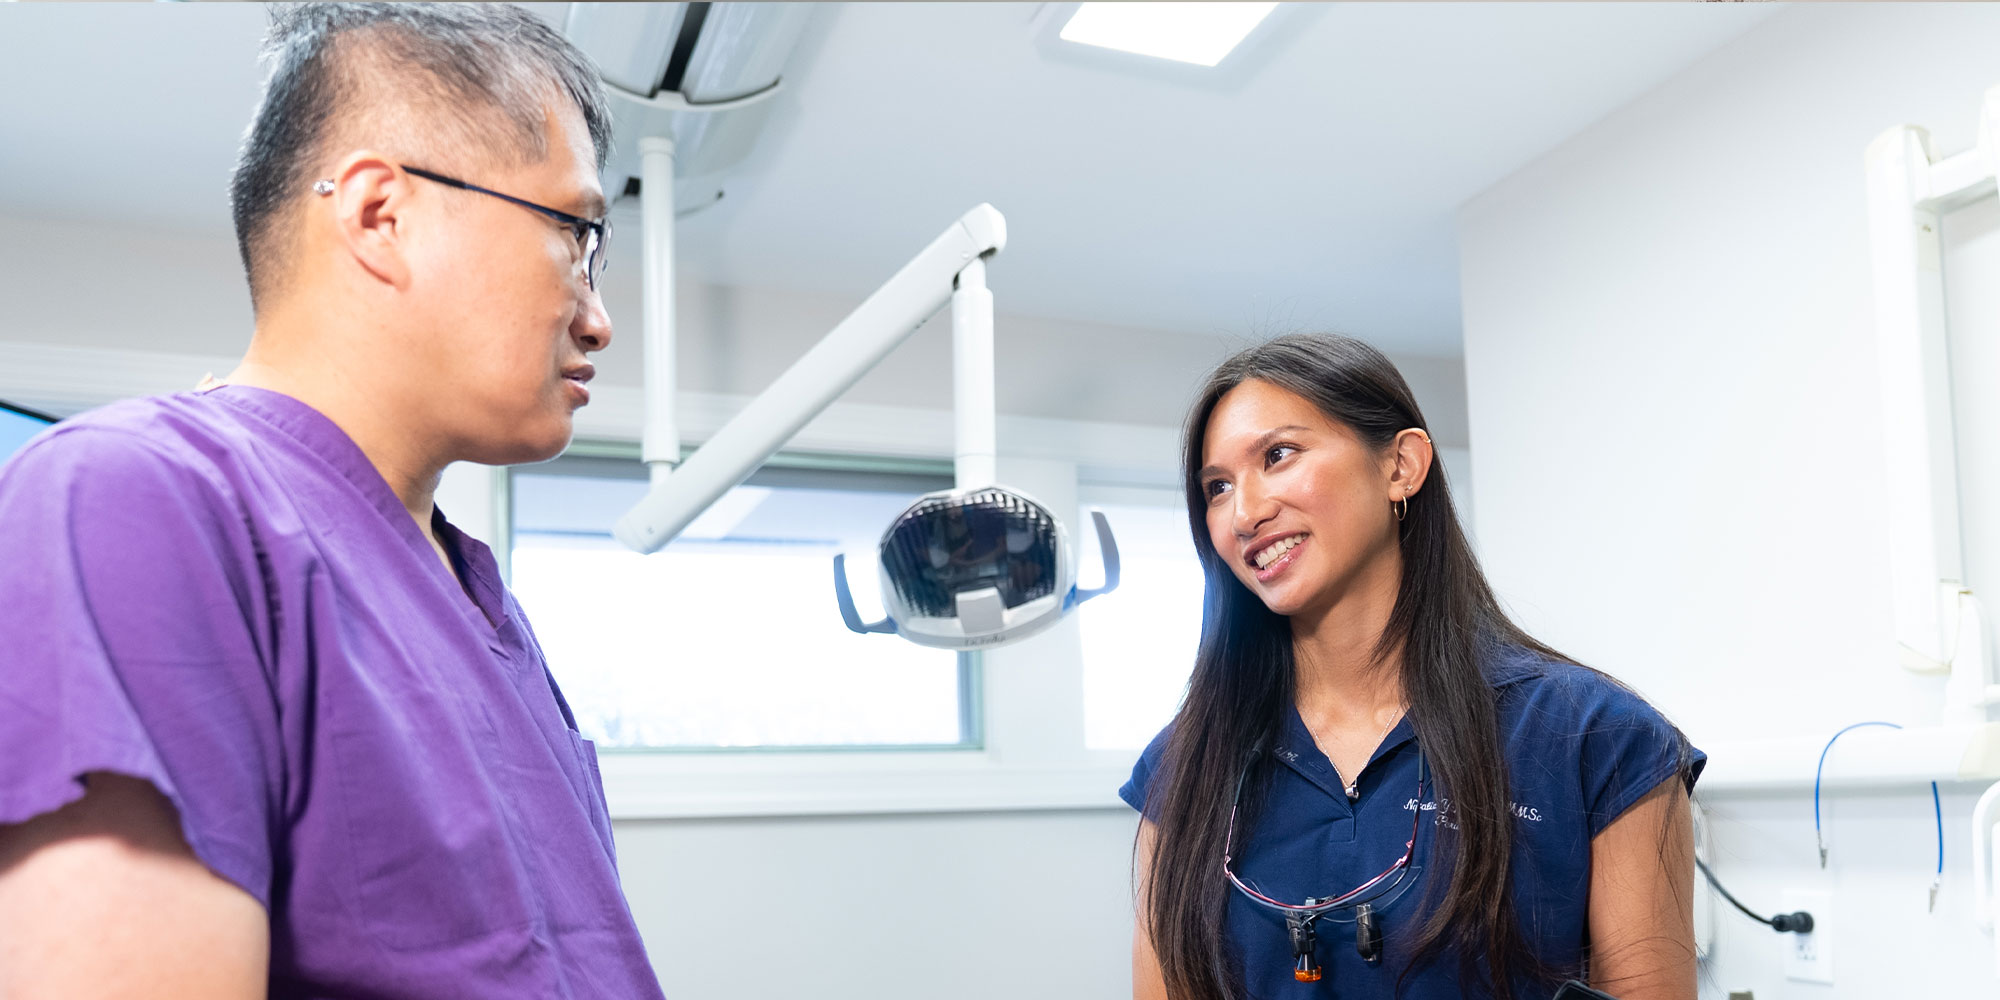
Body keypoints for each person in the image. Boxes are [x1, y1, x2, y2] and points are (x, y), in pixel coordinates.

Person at [0, 5, 664, 998]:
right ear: (377, 214)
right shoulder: (135, 498)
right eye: (574, 235)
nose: (599, 318)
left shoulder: (487, 608)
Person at [1124, 334, 1703, 1000]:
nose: (1245, 513)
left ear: (1401, 465)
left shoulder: (1598, 740)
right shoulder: (1182, 770)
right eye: (1217, 488)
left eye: (1279, 456)